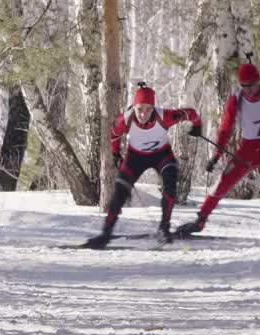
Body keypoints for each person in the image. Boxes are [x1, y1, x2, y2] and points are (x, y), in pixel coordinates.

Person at [176, 59, 260, 240]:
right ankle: (199, 221)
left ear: (259, 81)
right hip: (246, 152)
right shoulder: (237, 100)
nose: (248, 89)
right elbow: (225, 128)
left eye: (252, 85)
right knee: (221, 184)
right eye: (244, 85)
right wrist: (216, 156)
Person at [85, 82, 202, 249]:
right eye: (140, 109)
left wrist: (196, 127)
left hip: (162, 155)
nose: (143, 114)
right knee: (120, 191)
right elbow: (114, 135)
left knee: (170, 181)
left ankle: (164, 229)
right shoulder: (125, 119)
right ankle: (105, 234)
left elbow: (190, 113)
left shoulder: (165, 116)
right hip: (135, 157)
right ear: (134, 107)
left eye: (148, 109)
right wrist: (115, 153)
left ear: (153, 108)